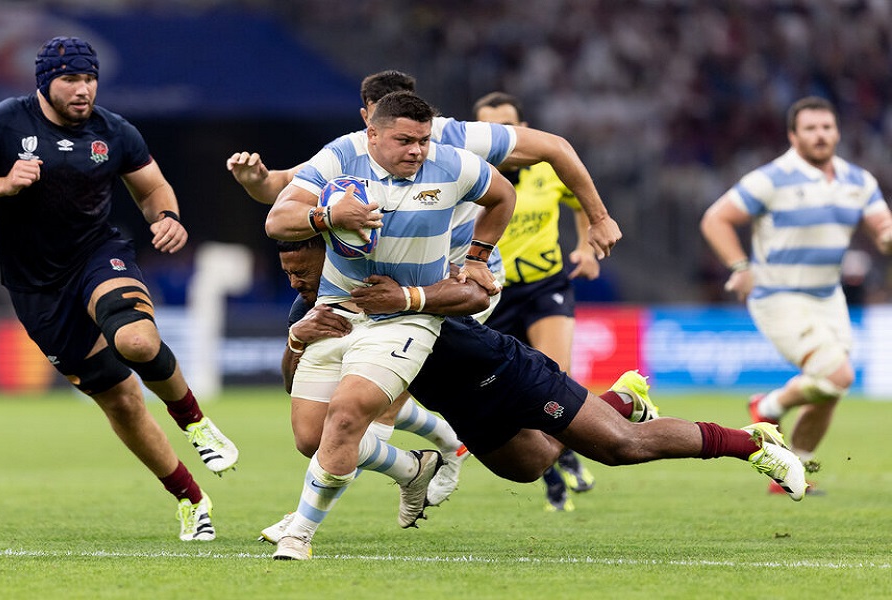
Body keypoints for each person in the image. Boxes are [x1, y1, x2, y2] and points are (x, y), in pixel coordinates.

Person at [257, 240, 807, 560]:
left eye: (299, 267)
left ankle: (751, 444)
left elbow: (474, 293)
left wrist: (424, 292)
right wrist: (296, 339)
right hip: (466, 408)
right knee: (533, 463)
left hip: (507, 372)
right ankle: (618, 398)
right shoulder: (312, 309)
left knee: (618, 448)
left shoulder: (388, 279)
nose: (293, 278)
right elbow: (296, 382)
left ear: (328, 256)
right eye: (284, 271)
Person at [229, 69, 624, 506]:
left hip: (455, 283)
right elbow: (282, 192)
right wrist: (253, 182)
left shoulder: (455, 139)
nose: (410, 147)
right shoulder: (352, 150)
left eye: (417, 136)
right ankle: (442, 447)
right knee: (328, 403)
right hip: (362, 280)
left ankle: (315, 515)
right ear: (368, 122)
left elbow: (553, 147)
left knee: (379, 395)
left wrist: (599, 219)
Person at [0, 36, 239, 541]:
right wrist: (2, 184)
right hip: (36, 287)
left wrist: (168, 218)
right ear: (45, 82)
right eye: (71, 78)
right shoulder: (3, 123)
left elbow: (153, 187)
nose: (84, 89)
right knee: (121, 402)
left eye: (90, 78)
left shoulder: (114, 132)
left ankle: (195, 421)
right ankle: (190, 497)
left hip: (97, 255)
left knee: (135, 340)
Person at [263, 91, 516, 560]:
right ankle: (413, 466)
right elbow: (278, 219)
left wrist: (478, 255)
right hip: (341, 309)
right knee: (312, 441)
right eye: (404, 140)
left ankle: (299, 531)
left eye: (422, 140)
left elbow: (503, 195)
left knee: (348, 414)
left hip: (409, 315)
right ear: (372, 134)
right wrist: (328, 215)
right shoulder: (340, 157)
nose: (417, 150)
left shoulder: (453, 164)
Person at [700, 96, 892, 494]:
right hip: (779, 296)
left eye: (826, 127)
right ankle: (768, 407)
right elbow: (716, 218)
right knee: (838, 374)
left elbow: (882, 228)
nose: (820, 135)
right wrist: (740, 267)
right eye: (810, 128)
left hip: (828, 296)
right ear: (793, 135)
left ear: (837, 132)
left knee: (829, 391)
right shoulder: (771, 178)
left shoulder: (858, 181)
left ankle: (791, 474)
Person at [474, 91, 612, 512]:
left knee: (557, 378)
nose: (504, 134)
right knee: (511, 393)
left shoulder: (548, 170)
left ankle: (565, 453)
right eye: (491, 128)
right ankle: (554, 470)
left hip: (543, 285)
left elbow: (581, 203)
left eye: (511, 125)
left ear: (526, 129)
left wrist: (587, 249)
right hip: (490, 297)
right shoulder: (466, 176)